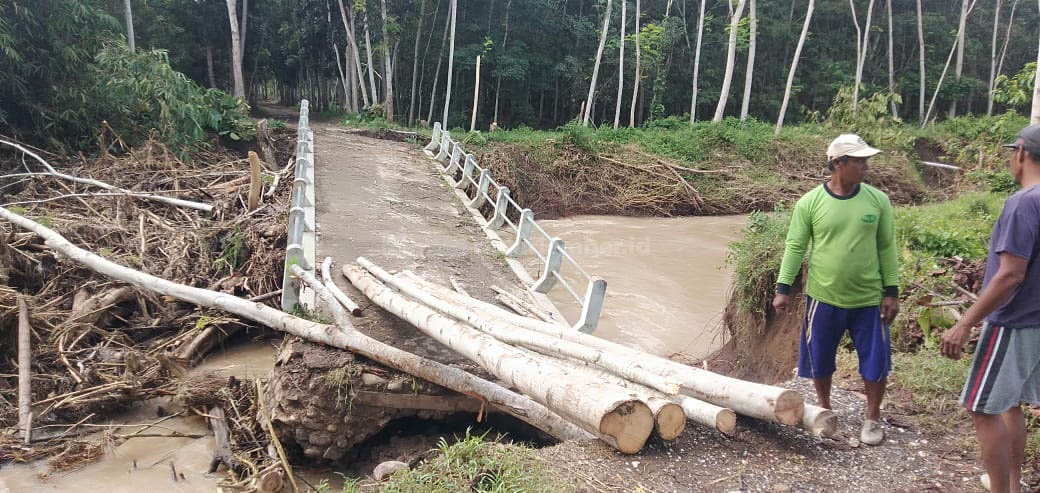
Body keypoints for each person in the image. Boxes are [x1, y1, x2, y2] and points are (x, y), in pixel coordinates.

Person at [772, 133, 900, 446]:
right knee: (821, 358)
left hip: (869, 299)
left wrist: (891, 291)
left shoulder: (877, 201)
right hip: (824, 297)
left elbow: (886, 247)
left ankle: (872, 417)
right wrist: (783, 288)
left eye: (866, 160)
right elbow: (795, 245)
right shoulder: (811, 203)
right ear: (838, 163)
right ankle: (825, 409)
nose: (865, 166)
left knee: (875, 361)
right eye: (858, 160)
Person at [940, 124, 1040, 493]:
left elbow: (1010, 274)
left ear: (1022, 154)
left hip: (1012, 321)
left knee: (982, 408)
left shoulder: (1023, 202)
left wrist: (965, 322)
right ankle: (1011, 484)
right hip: (1036, 322)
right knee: (1011, 403)